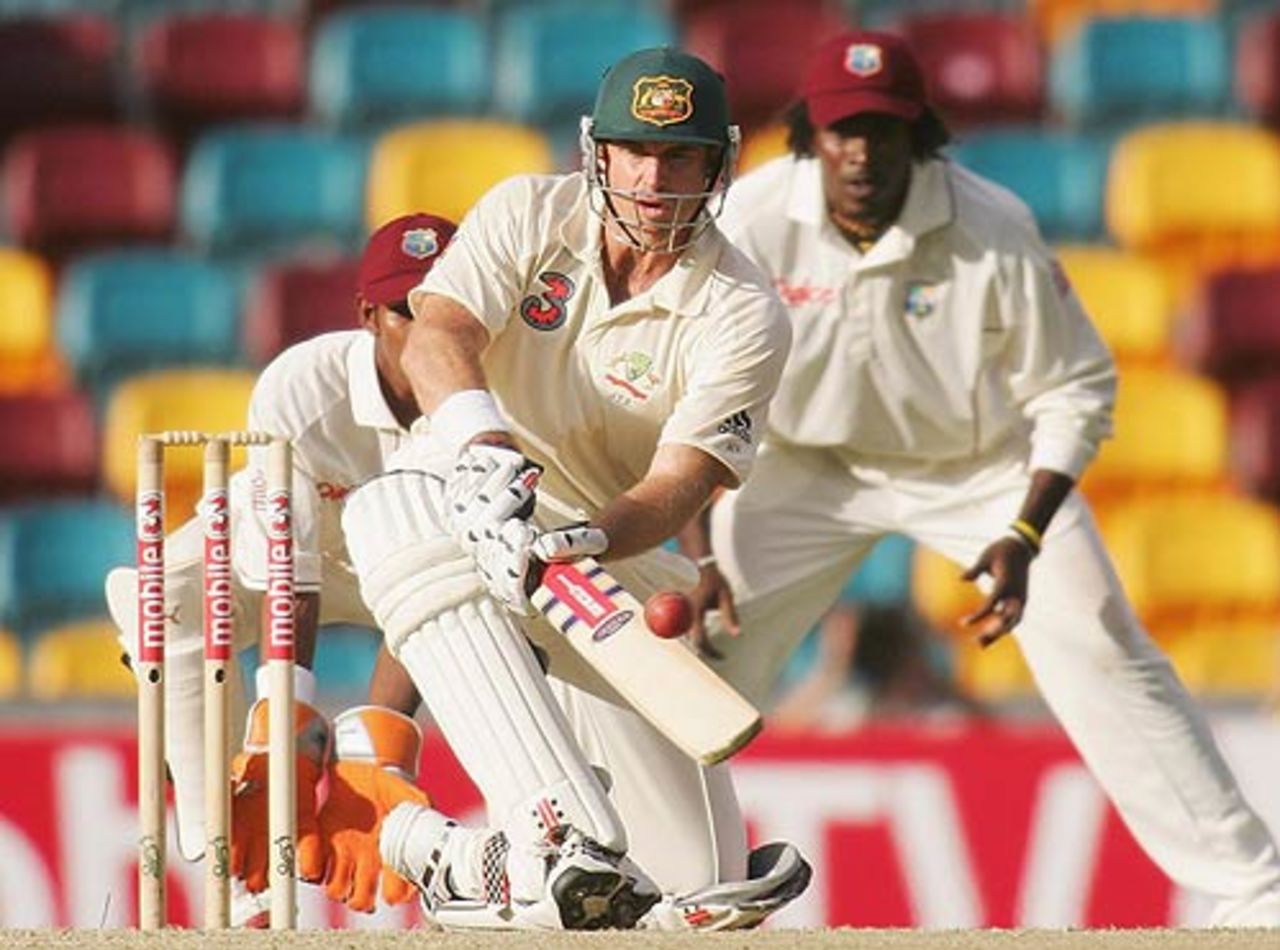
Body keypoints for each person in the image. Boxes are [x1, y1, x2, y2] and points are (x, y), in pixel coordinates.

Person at [683, 29, 1280, 925]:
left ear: (918, 136)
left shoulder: (991, 224)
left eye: (883, 132)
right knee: (691, 657)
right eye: (842, 131)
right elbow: (690, 387)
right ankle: (657, 878)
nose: (861, 153)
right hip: (798, 469)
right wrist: (698, 547)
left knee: (1100, 633)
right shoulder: (753, 221)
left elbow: (1076, 387)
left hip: (976, 468)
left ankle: (1252, 895)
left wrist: (1029, 529)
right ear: (810, 133)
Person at [336, 46, 807, 930]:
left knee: (690, 890)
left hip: (596, 560)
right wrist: (484, 450)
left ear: (718, 163)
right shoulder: (527, 212)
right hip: (462, 508)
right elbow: (440, 335)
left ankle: (480, 872)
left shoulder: (743, 310)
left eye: (679, 156)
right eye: (634, 151)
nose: (652, 179)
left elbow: (680, 484)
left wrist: (584, 540)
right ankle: (530, 843)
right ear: (598, 151)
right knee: (392, 505)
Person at [105, 212, 460, 914]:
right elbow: (286, 577)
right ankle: (232, 884)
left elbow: (448, 581)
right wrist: (284, 731)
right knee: (159, 595)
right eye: (404, 313)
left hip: (409, 573)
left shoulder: (489, 400)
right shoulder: (303, 386)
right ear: (367, 315)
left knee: (522, 622)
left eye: (445, 315)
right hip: (294, 557)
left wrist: (374, 747)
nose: (427, 339)